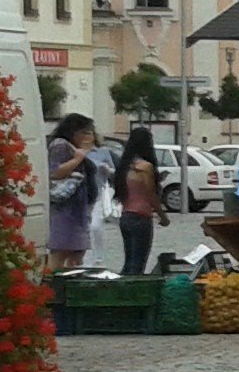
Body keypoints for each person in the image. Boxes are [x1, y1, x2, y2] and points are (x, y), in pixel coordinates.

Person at [44, 114, 110, 271]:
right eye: (85, 132)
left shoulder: (76, 148)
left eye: (90, 132)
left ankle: (70, 285)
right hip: (66, 211)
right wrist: (79, 158)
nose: (89, 136)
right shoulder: (61, 145)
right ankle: (52, 287)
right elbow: (54, 172)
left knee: (76, 255)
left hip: (79, 211)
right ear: (73, 131)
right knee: (60, 254)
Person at [114, 126, 163, 276]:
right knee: (138, 262)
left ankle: (122, 289)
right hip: (141, 217)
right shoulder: (145, 167)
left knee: (129, 260)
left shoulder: (124, 166)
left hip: (126, 216)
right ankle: (131, 293)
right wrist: (163, 216)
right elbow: (150, 194)